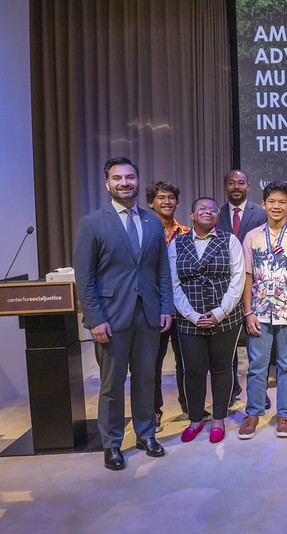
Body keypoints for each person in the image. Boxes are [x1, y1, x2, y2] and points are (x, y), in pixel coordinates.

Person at [74, 157, 172, 470]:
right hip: (110, 318)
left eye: (129, 177)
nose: (124, 183)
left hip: (148, 315)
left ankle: (146, 434)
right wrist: (94, 318)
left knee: (146, 380)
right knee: (111, 385)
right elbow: (84, 277)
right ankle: (112, 444)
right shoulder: (92, 223)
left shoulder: (152, 222)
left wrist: (166, 307)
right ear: (108, 184)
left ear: (137, 181)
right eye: (117, 178)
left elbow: (162, 270)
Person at [170, 197, 245, 444]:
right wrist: (192, 316)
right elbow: (173, 283)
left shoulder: (230, 240)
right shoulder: (177, 243)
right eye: (201, 208)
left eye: (213, 209)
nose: (207, 212)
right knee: (193, 370)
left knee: (222, 369)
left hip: (225, 317)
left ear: (217, 216)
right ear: (192, 215)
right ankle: (195, 419)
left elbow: (238, 279)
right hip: (189, 319)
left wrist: (220, 312)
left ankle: (219, 419)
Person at [238, 181, 287, 440]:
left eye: (282, 202)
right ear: (263, 204)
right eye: (271, 202)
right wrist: (248, 312)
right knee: (257, 366)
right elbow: (247, 276)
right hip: (259, 312)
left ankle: (285, 414)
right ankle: (253, 413)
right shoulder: (252, 236)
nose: (276, 206)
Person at [217, 169, 268, 406]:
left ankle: (259, 394)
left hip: (254, 286)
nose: (236, 187)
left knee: (256, 348)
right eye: (231, 183)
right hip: (224, 288)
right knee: (227, 347)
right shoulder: (216, 214)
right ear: (225, 186)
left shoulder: (261, 213)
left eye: (241, 183)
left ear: (248, 185)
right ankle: (230, 391)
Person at [146, 180, 192, 430]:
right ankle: (153, 411)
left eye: (171, 197)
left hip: (183, 308)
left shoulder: (187, 232)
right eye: (161, 197)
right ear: (150, 203)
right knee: (152, 363)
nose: (167, 201)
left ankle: (190, 407)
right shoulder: (144, 231)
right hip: (154, 308)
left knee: (186, 361)